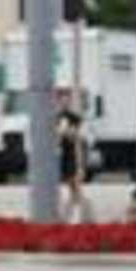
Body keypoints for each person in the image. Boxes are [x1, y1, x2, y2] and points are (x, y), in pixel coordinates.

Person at [56, 93, 93, 223]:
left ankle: (84, 215)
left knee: (76, 187)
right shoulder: (57, 117)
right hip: (63, 156)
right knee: (71, 189)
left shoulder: (75, 119)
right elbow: (57, 138)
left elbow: (77, 140)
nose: (64, 103)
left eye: (67, 101)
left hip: (73, 156)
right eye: (62, 101)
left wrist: (80, 165)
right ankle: (70, 216)